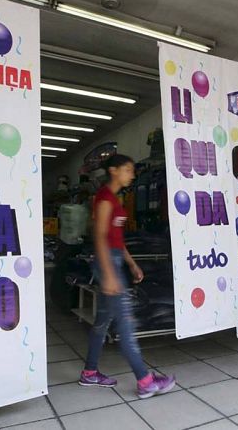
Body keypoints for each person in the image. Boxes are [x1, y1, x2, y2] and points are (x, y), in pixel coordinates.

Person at [79, 154, 176, 399]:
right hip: (106, 265)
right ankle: (145, 381)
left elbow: (116, 240)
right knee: (125, 323)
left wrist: (132, 264)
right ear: (113, 170)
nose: (132, 175)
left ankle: (89, 372)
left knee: (101, 324)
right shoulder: (104, 198)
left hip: (112, 261)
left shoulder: (116, 199)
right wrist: (110, 275)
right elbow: (100, 237)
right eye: (128, 170)